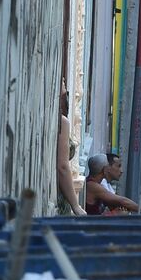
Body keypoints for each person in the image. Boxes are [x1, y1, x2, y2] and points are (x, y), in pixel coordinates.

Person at [56, 87, 85, 216]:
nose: (64, 84)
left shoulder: (60, 119)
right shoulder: (62, 122)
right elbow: (62, 167)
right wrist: (76, 206)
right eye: (62, 82)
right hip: (60, 196)